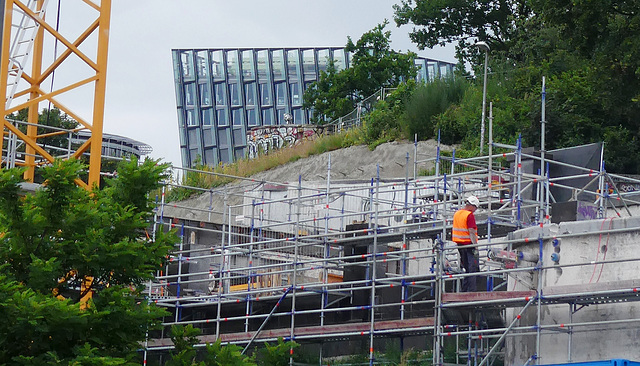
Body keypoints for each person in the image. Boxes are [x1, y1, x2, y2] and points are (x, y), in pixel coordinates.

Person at [452, 195, 480, 292]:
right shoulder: (469, 215)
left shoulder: (457, 213)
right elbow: (471, 232)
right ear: (472, 205)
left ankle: (464, 290)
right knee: (472, 268)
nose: (475, 210)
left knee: (466, 268)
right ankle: (472, 291)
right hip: (469, 245)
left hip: (459, 244)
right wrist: (475, 247)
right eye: (475, 208)